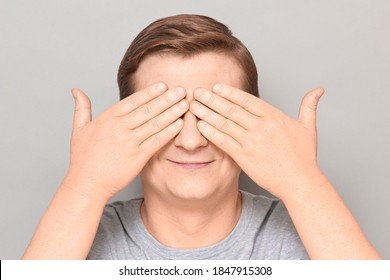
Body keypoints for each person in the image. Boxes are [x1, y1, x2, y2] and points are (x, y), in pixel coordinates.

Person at [22, 14, 380, 260]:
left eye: (214, 114)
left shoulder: (311, 237)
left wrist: (306, 184)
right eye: (167, 115)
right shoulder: (76, 239)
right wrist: (82, 186)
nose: (191, 141)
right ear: (124, 127)